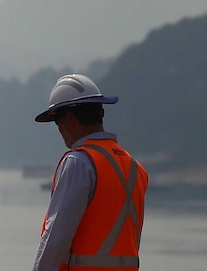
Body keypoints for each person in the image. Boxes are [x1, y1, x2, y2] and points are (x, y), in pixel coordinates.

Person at [33, 74, 149, 271]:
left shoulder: (79, 163)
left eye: (57, 122)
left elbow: (55, 239)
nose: (59, 130)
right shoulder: (135, 168)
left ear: (69, 119)